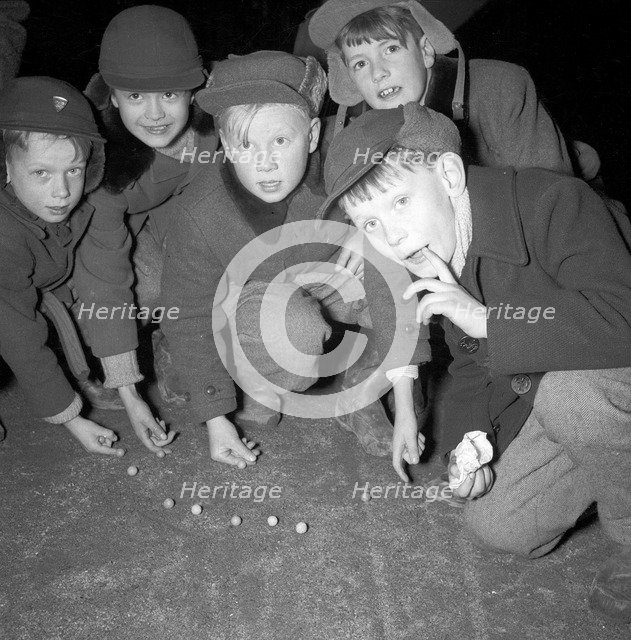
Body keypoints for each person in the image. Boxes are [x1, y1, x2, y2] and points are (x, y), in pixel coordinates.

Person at [319, 101, 631, 623]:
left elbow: (622, 318)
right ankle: (609, 455)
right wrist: (470, 441)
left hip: (609, 363)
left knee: (572, 397)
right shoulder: (439, 249)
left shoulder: (553, 202)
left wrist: (491, 321)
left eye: (399, 203)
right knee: (500, 524)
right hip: (567, 390)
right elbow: (470, 365)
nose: (390, 236)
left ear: (448, 173)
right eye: (368, 222)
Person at [308, 0, 606, 449]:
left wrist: (500, 324)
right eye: (360, 63)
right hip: (458, 258)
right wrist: (366, 229)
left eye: (390, 49)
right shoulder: (364, 131)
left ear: (426, 50)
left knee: (560, 372)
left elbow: (555, 199)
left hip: (537, 245)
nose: (378, 73)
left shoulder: (501, 87)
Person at [160, 50, 368, 468]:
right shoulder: (199, 212)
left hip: (325, 278)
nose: (265, 163)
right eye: (246, 144)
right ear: (225, 145)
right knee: (296, 329)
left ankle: (365, 389)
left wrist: (368, 237)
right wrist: (216, 416)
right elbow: (187, 314)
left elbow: (413, 162)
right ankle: (257, 380)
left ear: (311, 136)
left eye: (280, 140)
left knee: (390, 276)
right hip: (253, 301)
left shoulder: (346, 162)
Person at [71, 5, 215, 455]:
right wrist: (129, 391)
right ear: (111, 96)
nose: (154, 114)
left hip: (176, 217)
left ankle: (178, 346)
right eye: (135, 97)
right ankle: (96, 358)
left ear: (196, 90)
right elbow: (102, 274)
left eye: (170, 94)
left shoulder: (220, 129)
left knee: (208, 264)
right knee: (147, 288)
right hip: (108, 243)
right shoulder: (100, 168)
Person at [0, 76, 127, 455]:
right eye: (41, 172)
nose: (61, 192)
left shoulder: (82, 202)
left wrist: (126, 385)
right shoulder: (4, 233)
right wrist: (71, 418)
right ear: (4, 166)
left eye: (73, 170)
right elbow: (18, 330)